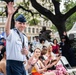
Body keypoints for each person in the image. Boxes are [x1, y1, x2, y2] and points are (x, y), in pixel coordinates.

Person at [5, 2, 28, 75]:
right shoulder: (12, 33)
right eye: (20, 23)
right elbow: (6, 30)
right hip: (13, 63)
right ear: (15, 23)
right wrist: (10, 15)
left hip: (21, 64)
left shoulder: (24, 37)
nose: (22, 25)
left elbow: (26, 51)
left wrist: (26, 52)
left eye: (23, 23)